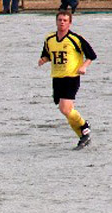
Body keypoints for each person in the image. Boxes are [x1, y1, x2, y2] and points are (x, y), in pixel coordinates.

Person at [38, 10, 97, 150]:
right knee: (66, 110)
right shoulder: (49, 39)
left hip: (71, 77)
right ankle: (83, 136)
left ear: (70, 23)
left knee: (65, 108)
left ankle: (84, 127)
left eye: (65, 20)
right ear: (56, 21)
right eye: (60, 20)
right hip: (57, 77)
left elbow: (91, 55)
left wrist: (84, 66)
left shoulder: (75, 39)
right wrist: (43, 60)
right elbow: (48, 54)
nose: (62, 22)